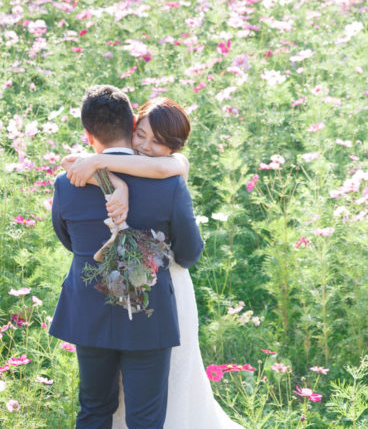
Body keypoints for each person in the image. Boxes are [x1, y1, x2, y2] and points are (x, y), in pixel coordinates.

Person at [63, 97, 242, 429]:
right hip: (156, 303)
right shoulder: (167, 185)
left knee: (98, 406)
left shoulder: (169, 168)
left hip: (94, 310)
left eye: (157, 143)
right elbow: (188, 254)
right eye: (141, 135)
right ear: (132, 124)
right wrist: (116, 184)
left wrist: (108, 173)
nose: (145, 147)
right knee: (149, 410)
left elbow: (68, 240)